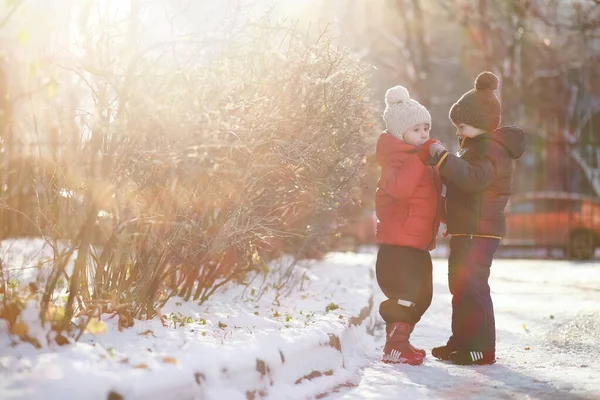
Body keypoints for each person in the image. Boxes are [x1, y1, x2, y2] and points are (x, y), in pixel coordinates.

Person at [417, 71, 525, 365]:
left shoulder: (492, 152)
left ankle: (480, 348)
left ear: (478, 124)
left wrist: (443, 159)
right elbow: (463, 188)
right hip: (467, 230)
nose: (458, 132)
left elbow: (474, 179)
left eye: (462, 125)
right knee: (460, 287)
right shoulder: (475, 149)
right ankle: (462, 341)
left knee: (474, 288)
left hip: (480, 232)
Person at [375, 85, 442, 365]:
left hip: (417, 245)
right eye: (416, 129)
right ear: (398, 132)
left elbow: (432, 198)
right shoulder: (395, 160)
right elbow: (401, 189)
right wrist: (421, 159)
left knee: (423, 296)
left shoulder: (419, 160)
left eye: (426, 128)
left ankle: (400, 340)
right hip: (398, 247)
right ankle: (395, 346)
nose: (424, 134)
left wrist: (446, 219)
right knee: (406, 296)